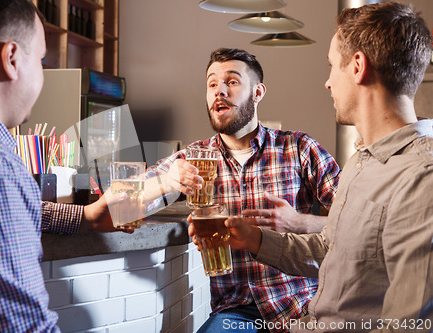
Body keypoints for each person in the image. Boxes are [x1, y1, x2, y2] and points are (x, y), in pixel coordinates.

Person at [217, 2, 433, 331]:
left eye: (332, 66)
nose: (328, 82)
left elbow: (408, 325)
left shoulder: (422, 177)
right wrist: (256, 240)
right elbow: (329, 249)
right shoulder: (363, 161)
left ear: (358, 66)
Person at [0, 0, 133, 331]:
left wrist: (83, 216)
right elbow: (20, 327)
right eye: (41, 59)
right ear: (11, 58)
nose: (43, 72)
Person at [146, 48, 340, 332]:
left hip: (303, 305)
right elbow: (122, 203)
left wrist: (301, 222)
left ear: (258, 92)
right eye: (212, 84)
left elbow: (357, 224)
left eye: (232, 82)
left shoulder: (298, 147)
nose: (219, 91)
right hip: (235, 314)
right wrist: (165, 181)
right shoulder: (193, 158)